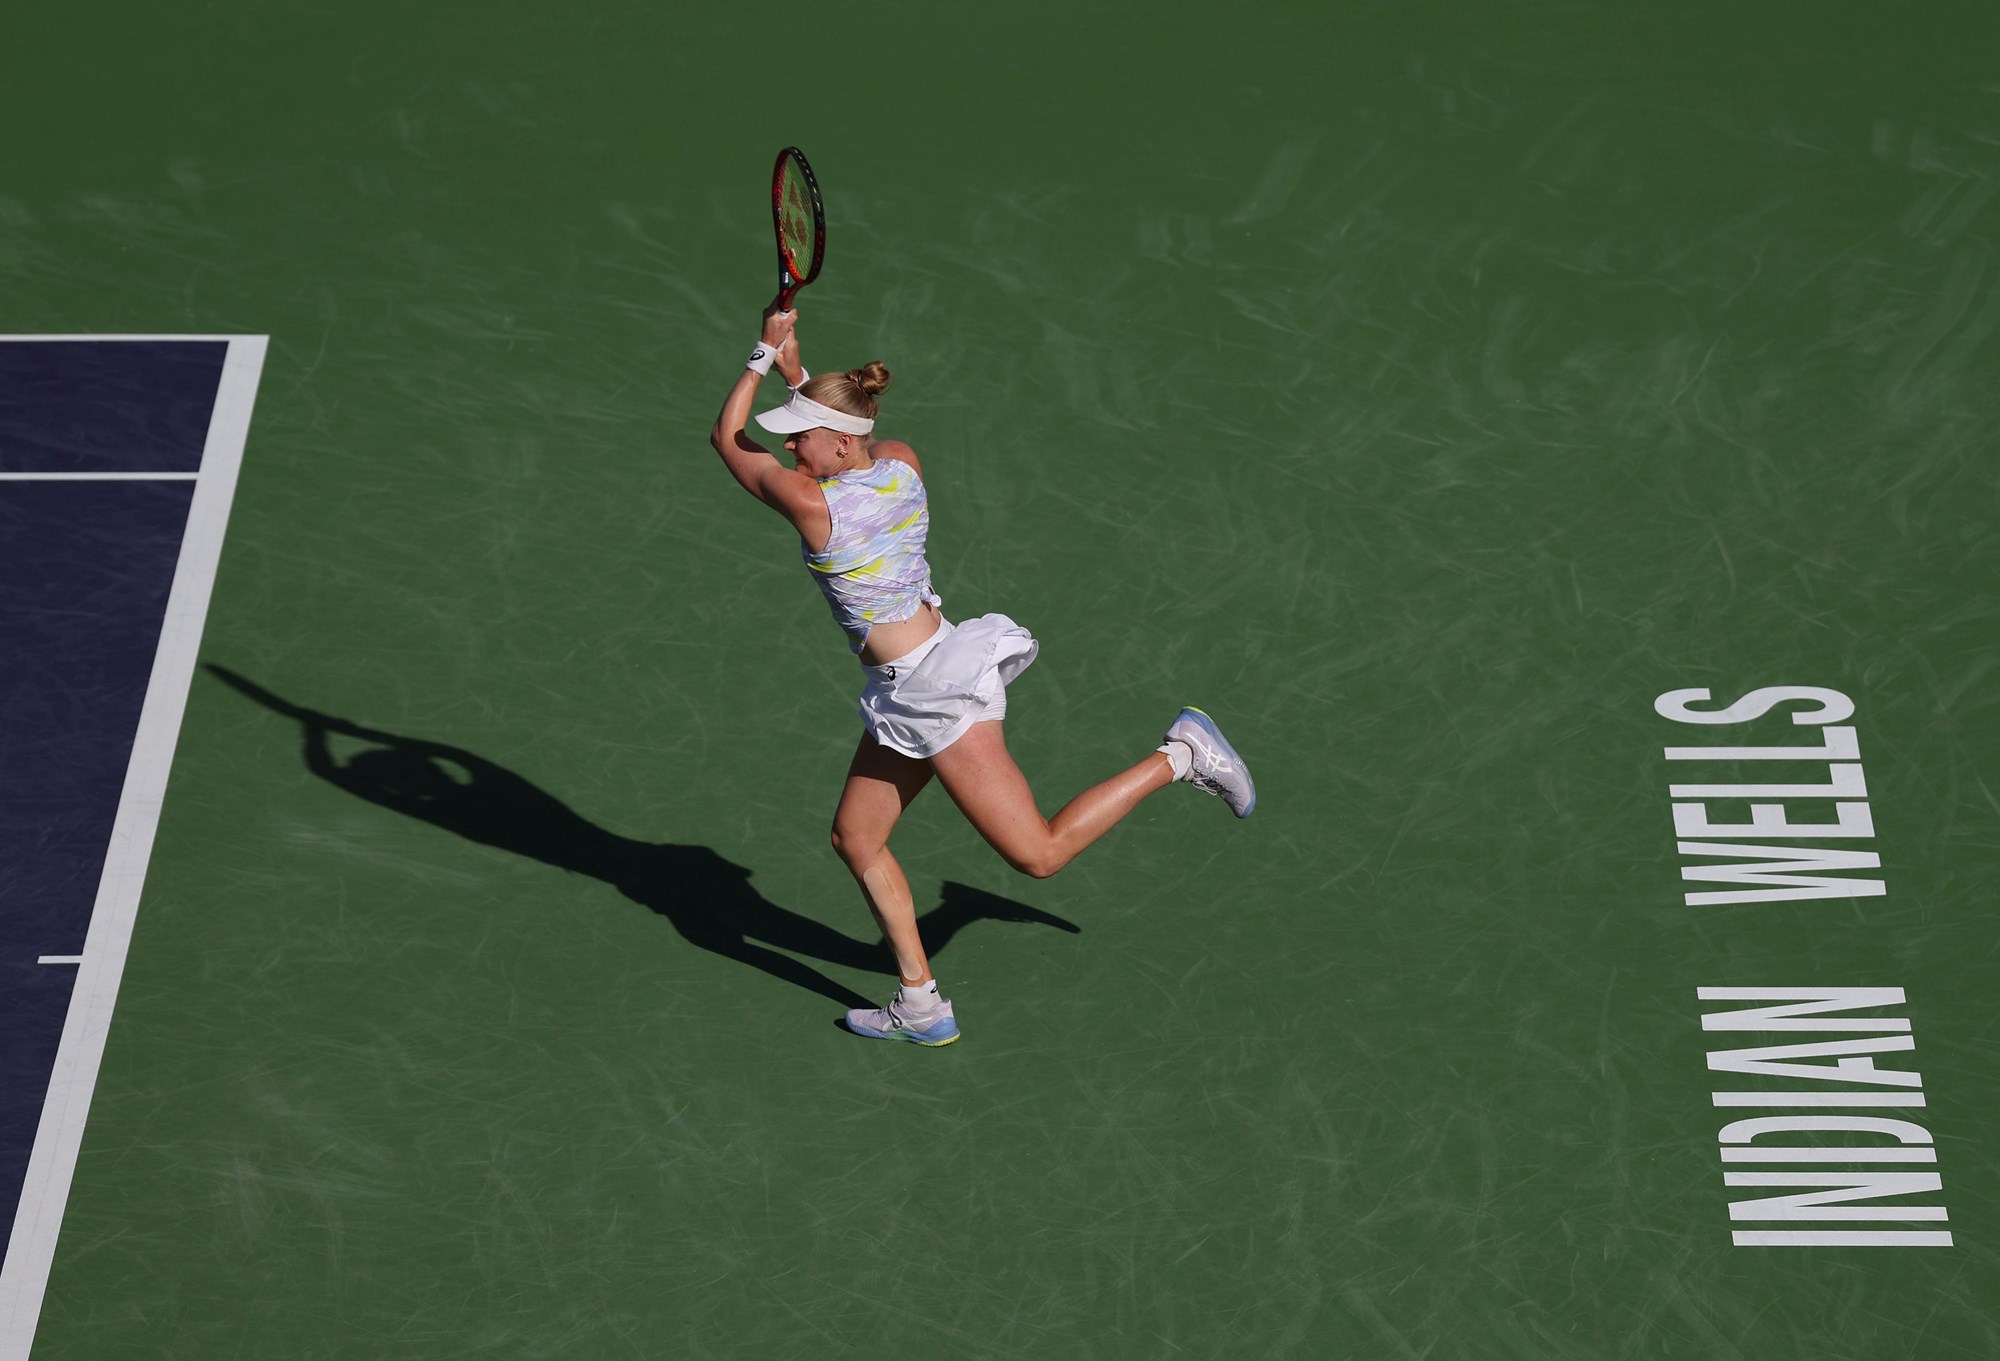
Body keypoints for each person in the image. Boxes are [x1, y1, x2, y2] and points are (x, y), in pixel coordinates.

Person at [707, 301, 1255, 1046]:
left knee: (1039, 854)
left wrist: (761, 355)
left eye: (801, 438)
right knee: (856, 838)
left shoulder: (812, 505)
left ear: (837, 444)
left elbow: (726, 437)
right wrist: (798, 370)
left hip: (939, 697)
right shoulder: (900, 459)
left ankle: (1182, 753)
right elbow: (837, 426)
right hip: (910, 683)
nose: (794, 450)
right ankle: (921, 1002)